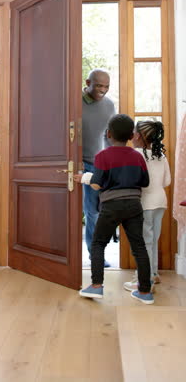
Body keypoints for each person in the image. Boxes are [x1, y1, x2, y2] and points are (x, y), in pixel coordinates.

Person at [74, 114, 154, 304]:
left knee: (98, 243)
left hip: (111, 206)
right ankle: (144, 292)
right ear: (131, 135)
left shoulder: (102, 156)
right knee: (139, 247)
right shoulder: (137, 156)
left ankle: (96, 286)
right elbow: (145, 182)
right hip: (134, 205)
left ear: (108, 134)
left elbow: (96, 184)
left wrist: (88, 178)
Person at [124, 120, 171, 292]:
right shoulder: (161, 156)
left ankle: (143, 280)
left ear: (136, 136)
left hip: (145, 203)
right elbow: (167, 181)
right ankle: (153, 274)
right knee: (152, 240)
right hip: (161, 202)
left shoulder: (135, 153)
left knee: (143, 243)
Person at [82, 69, 115, 267]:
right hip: (73, 164)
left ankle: (96, 256)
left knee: (94, 211)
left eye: (106, 86)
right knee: (68, 210)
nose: (102, 90)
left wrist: (112, 161)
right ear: (88, 82)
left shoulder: (110, 105)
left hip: (96, 165)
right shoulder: (74, 101)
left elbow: (108, 135)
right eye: (98, 85)